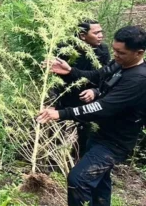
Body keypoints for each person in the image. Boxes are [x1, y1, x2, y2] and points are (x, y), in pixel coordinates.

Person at [38, 26, 146, 206]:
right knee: (99, 184)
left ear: (139, 52)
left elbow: (102, 108)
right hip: (99, 133)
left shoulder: (138, 79)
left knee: (78, 180)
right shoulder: (119, 64)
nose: (116, 55)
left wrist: (61, 113)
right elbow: (97, 76)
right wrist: (70, 71)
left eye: (121, 52)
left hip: (114, 142)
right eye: (114, 50)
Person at [54, 20, 111, 156]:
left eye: (101, 32)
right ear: (82, 36)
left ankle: (79, 158)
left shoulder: (102, 51)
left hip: (87, 100)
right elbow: (53, 77)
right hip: (64, 97)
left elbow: (104, 77)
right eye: (96, 33)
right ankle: (54, 160)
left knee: (85, 135)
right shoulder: (64, 49)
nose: (101, 36)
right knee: (57, 134)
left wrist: (95, 91)